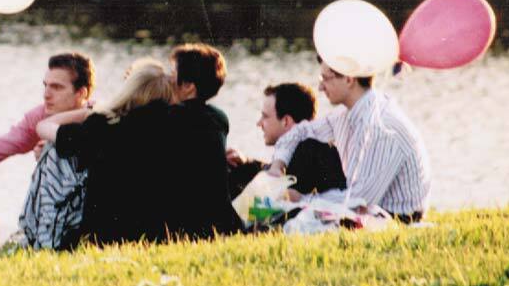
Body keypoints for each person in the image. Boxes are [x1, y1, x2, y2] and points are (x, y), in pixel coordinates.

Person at [36, 45, 242, 245]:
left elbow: (48, 128)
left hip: (124, 232)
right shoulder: (217, 119)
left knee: (53, 151)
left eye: (173, 73)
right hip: (212, 226)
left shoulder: (138, 122)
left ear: (188, 86)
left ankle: (40, 236)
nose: (168, 78)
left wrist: (97, 110)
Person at [268, 56, 431, 222]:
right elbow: (301, 131)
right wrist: (277, 166)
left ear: (348, 79)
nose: (320, 87)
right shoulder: (346, 114)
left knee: (299, 208)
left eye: (325, 78)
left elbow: (359, 202)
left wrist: (301, 199)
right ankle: (273, 216)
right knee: (308, 147)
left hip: (394, 217)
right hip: (365, 203)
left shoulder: (381, 125)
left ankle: (277, 217)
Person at [225, 83, 346, 200]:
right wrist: (245, 162)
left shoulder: (313, 151)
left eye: (265, 116)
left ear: (286, 121)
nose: (259, 123)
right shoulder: (300, 152)